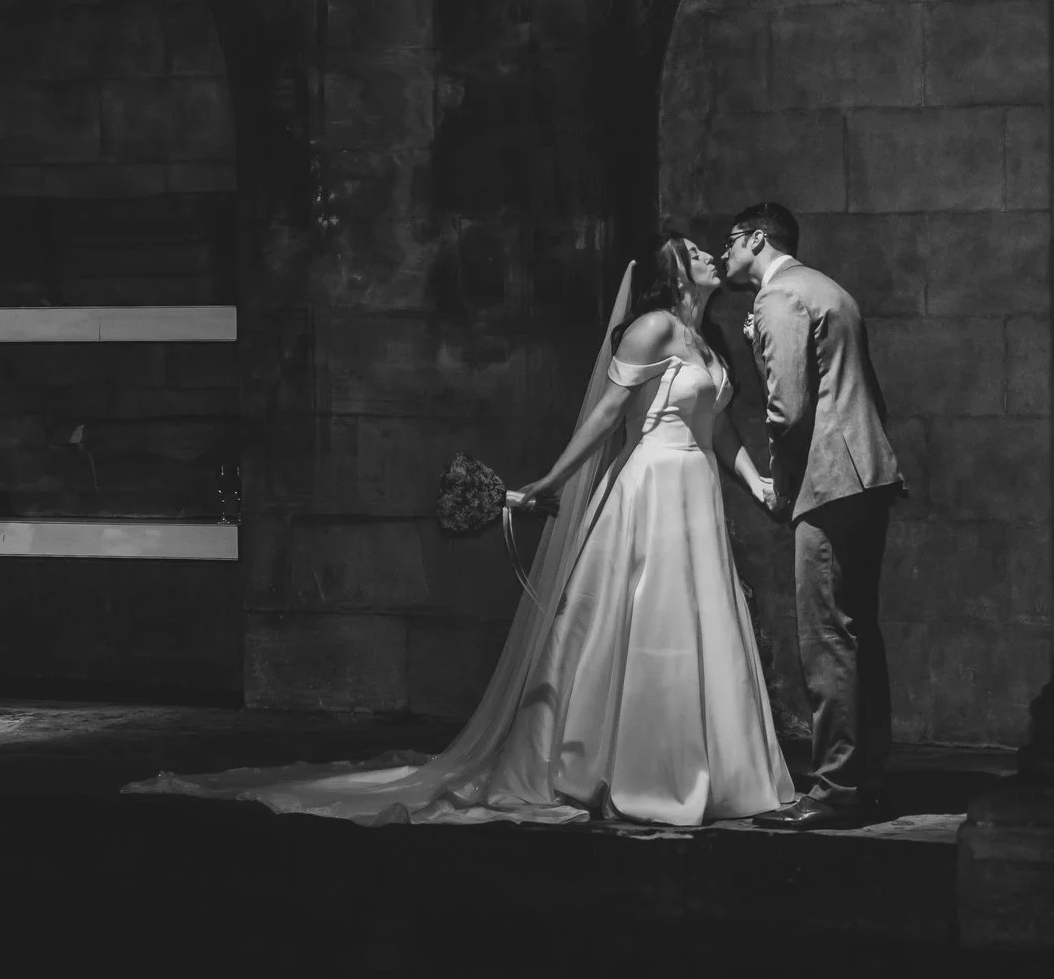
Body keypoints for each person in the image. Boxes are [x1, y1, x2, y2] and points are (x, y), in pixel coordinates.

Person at [125, 231, 795, 828]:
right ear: (675, 273)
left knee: (701, 626)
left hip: (697, 490)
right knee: (645, 624)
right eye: (696, 252)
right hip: (651, 488)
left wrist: (757, 481)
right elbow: (606, 416)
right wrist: (550, 481)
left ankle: (716, 771)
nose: (710, 255)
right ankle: (631, 768)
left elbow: (721, 424)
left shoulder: (709, 341)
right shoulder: (652, 329)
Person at [722, 202, 904, 830]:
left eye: (729, 244)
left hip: (828, 478)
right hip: (868, 473)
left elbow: (789, 411)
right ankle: (867, 777)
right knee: (857, 633)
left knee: (826, 636)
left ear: (754, 239)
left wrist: (782, 487)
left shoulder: (779, 299)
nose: (723, 256)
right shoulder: (828, 288)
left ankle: (835, 790)